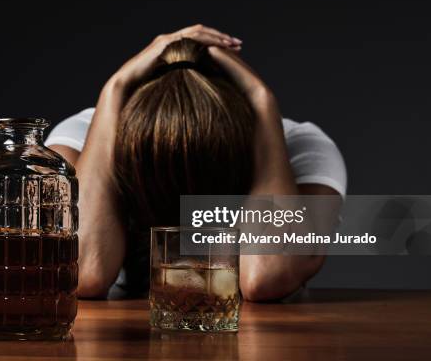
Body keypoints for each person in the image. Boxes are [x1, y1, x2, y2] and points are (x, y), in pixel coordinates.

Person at [46, 25, 347, 301]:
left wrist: (261, 100)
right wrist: (115, 89)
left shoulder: (302, 148)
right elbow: (84, 273)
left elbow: (266, 276)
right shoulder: (83, 137)